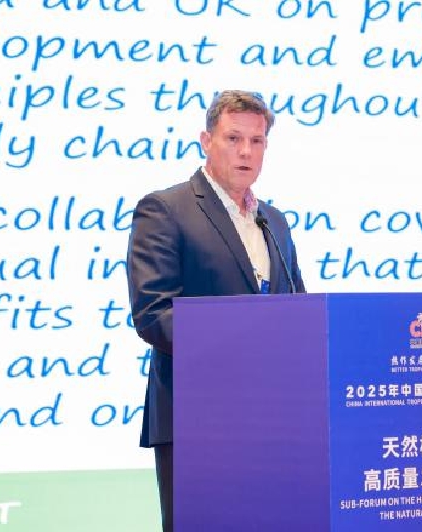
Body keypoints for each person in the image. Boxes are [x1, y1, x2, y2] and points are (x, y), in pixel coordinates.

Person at [126, 90, 306, 532]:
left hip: (272, 417)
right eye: (233, 138)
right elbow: (153, 314)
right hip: (197, 417)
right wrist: (243, 348)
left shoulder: (274, 221)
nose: (246, 151)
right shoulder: (166, 209)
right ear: (206, 141)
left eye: (257, 141)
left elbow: (298, 308)